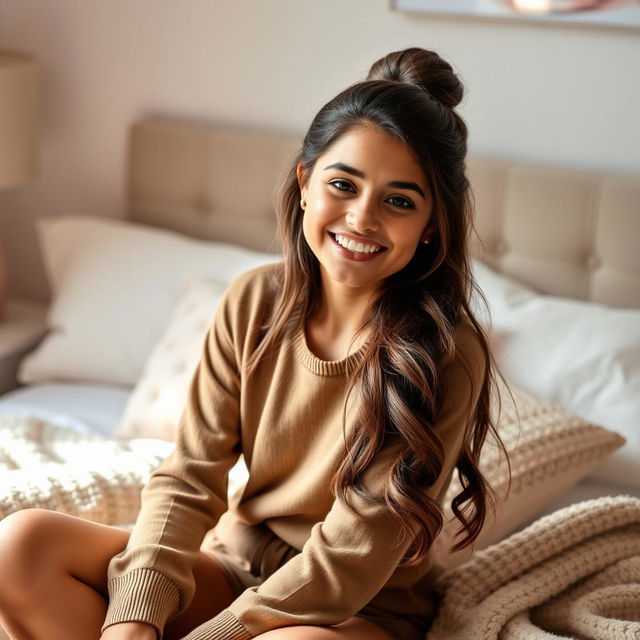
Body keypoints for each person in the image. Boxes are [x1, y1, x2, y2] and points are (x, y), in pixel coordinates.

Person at [0, 47, 508, 640]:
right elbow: (189, 477)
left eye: (399, 201)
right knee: (21, 545)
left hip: (352, 610)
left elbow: (352, 557)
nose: (362, 218)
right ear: (305, 185)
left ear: (431, 225)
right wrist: (133, 619)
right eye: (343, 184)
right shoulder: (252, 302)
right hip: (233, 566)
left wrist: (214, 636)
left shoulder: (442, 353)